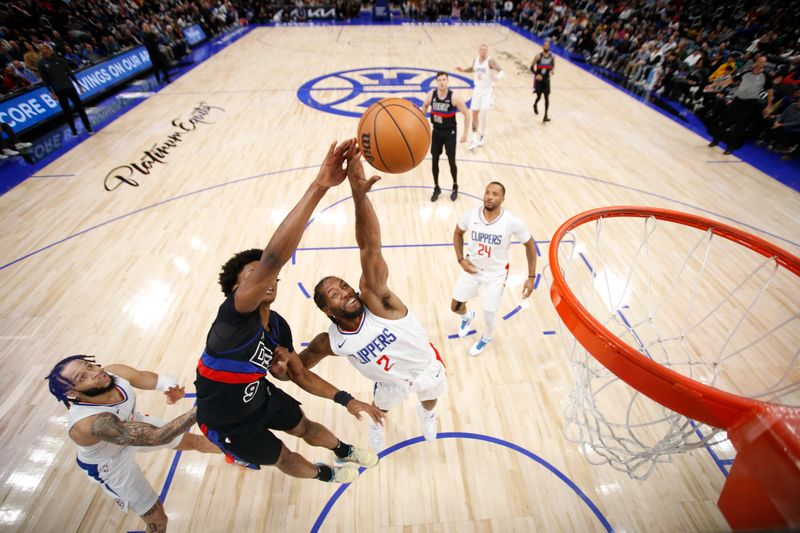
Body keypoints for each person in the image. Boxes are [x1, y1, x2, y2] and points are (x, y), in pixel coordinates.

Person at [195, 139, 384, 484]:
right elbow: (272, 259)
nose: (264, 278)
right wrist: (320, 186)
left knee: (305, 426)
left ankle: (343, 450)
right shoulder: (232, 319)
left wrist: (347, 400)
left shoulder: (277, 326)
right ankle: (323, 474)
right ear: (237, 290)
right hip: (226, 419)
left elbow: (296, 374)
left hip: (257, 394)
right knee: (284, 456)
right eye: (251, 276)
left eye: (266, 275)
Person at [302, 145, 448, 452]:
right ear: (328, 311)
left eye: (343, 285)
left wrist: (359, 195)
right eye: (335, 294)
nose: (345, 292)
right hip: (389, 383)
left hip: (425, 367)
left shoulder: (377, 301)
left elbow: (370, 247)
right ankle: (378, 423)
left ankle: (427, 414)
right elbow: (301, 367)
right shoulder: (332, 341)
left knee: (430, 396)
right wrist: (278, 365)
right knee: (380, 406)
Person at [45, 355, 220, 533]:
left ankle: (240, 455)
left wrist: (168, 385)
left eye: (89, 366)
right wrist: (204, 407)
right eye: (82, 377)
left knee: (196, 441)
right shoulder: (92, 423)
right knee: (158, 521)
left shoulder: (113, 371)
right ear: (72, 393)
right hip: (111, 464)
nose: (95, 373)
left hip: (132, 425)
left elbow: (141, 377)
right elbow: (157, 437)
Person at [451, 182, 537, 356]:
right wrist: (460, 260)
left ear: (502, 198)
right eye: (487, 192)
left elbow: (530, 245)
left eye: (495, 194)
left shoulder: (511, 221)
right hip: (472, 270)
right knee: (455, 307)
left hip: (495, 275)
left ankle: (486, 338)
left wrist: (531, 277)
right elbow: (458, 233)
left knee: (489, 314)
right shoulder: (470, 215)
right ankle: (467, 317)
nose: (489, 196)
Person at [709, 55, 773, 155]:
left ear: (765, 64)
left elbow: (770, 90)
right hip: (738, 99)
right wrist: (715, 84)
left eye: (763, 62)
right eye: (759, 61)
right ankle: (715, 140)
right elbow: (731, 80)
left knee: (739, 125)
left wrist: (769, 105)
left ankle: (730, 147)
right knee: (726, 120)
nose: (760, 64)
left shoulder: (766, 76)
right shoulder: (746, 71)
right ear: (756, 61)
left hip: (749, 102)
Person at [421, 71, 470, 202]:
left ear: (447, 81)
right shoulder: (431, 95)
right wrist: (420, 122)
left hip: (450, 133)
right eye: (439, 80)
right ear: (436, 82)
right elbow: (424, 106)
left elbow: (466, 113)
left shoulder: (454, 97)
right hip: (436, 132)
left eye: (444, 80)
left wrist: (465, 133)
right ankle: (436, 187)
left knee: (451, 161)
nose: (442, 82)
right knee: (434, 160)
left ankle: (455, 185)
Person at [37, 45, 94, 136]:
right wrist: (52, 93)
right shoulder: (41, 64)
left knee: (80, 108)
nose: (44, 51)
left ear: (50, 50)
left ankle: (88, 127)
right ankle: (74, 130)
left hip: (70, 87)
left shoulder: (60, 60)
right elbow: (45, 80)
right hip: (58, 91)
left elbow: (69, 73)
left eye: (45, 49)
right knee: (67, 112)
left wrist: (79, 85)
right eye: (41, 50)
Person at [456, 43, 503, 150]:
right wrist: (463, 70)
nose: (483, 52)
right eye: (481, 50)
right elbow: (473, 69)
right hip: (477, 90)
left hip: (487, 90)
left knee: (484, 113)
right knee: (475, 113)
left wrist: (496, 78)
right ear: (479, 51)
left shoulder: (490, 61)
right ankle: (473, 138)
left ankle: (482, 135)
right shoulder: (476, 60)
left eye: (485, 50)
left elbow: (501, 71)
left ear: (487, 51)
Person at [531, 39, 556, 123]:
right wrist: (536, 74)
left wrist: (552, 70)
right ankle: (535, 104)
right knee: (538, 96)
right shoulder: (538, 56)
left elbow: (552, 65)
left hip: (546, 79)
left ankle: (545, 115)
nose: (546, 47)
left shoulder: (552, 56)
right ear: (542, 47)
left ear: (549, 47)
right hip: (539, 79)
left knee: (546, 98)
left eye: (547, 45)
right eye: (545, 45)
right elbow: (531, 67)